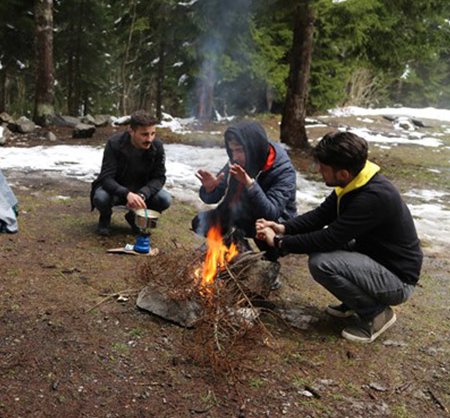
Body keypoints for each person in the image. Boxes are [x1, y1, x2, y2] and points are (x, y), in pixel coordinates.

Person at [256, 131, 422, 343]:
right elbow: (321, 215)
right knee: (325, 252)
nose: (320, 172)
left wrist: (279, 243)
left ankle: (377, 314)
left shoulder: (372, 197)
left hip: (398, 280)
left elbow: (330, 237)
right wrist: (281, 227)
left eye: (324, 169)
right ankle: (354, 302)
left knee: (322, 263)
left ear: (343, 173)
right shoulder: (356, 180)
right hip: (376, 258)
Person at [191, 122, 297, 262]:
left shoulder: (283, 170)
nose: (235, 157)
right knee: (200, 222)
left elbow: (271, 213)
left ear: (253, 148)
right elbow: (215, 196)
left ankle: (270, 265)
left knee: (264, 231)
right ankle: (238, 248)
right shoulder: (239, 160)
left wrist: (250, 184)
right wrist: (210, 189)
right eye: (232, 150)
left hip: (274, 221)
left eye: (239, 150)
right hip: (241, 213)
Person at [91, 110, 172, 236]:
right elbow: (106, 178)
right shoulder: (114, 143)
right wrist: (126, 193)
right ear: (131, 131)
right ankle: (105, 217)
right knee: (100, 197)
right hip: (116, 190)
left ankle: (134, 217)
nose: (149, 139)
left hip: (141, 190)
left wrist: (142, 194)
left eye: (153, 134)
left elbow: (159, 177)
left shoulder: (157, 146)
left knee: (165, 199)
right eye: (144, 134)